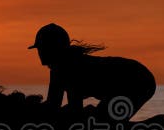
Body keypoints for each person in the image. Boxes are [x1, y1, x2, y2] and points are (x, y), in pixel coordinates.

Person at [28, 23, 156, 121]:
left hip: (138, 82)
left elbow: (75, 111)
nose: (39, 53)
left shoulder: (71, 68)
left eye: (41, 49)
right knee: (98, 118)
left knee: (103, 122)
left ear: (52, 49)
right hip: (127, 83)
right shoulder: (57, 71)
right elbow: (53, 105)